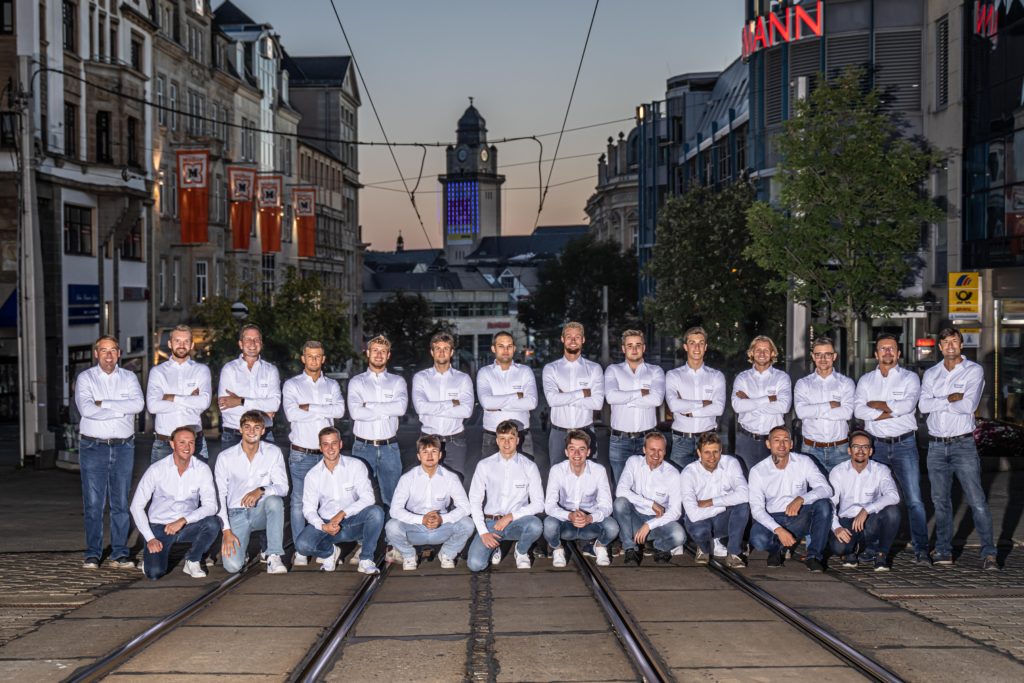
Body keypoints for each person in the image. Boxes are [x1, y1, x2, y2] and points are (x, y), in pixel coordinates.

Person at [919, 328, 997, 569]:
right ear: (939, 347)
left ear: (961, 345)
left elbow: (968, 405)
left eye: (954, 341)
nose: (950, 346)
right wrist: (949, 397)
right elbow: (923, 405)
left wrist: (939, 401)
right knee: (940, 501)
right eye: (945, 342)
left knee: (977, 500)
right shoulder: (931, 373)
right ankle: (943, 550)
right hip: (936, 445)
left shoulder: (973, 370)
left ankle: (989, 552)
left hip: (963, 444)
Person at [854, 334, 929, 564]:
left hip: (904, 444)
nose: (887, 352)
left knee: (914, 499)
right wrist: (891, 410)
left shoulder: (910, 378)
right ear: (876, 354)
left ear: (898, 353)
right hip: (875, 445)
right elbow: (858, 411)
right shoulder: (866, 380)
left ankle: (921, 549)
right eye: (883, 349)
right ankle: (873, 547)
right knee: (876, 497)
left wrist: (875, 406)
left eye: (891, 349)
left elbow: (907, 406)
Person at [74, 335, 145, 569]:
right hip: (93, 446)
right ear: (96, 353)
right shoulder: (85, 378)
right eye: (103, 350)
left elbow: (137, 406)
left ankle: (120, 553)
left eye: (112, 350)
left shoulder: (129, 377)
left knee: (120, 503)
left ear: (119, 353)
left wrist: (103, 404)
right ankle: (93, 553)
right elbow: (86, 410)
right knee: (94, 503)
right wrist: (119, 409)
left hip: (123, 445)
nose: (108, 355)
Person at [282, 340, 345, 566]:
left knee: (326, 502)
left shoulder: (332, 386)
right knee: (300, 503)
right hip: (301, 453)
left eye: (318, 356)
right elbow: (291, 414)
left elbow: (339, 411)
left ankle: (320, 545)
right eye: (310, 356)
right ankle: (301, 549)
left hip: (327, 455)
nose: (314, 360)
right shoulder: (292, 385)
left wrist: (309, 407)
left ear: (323, 359)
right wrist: (321, 412)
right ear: (303, 358)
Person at [130, 427, 221, 580]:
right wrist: (149, 537)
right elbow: (136, 506)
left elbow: (211, 506)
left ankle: (192, 560)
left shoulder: (202, 469)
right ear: (172, 444)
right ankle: (150, 558)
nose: (187, 447)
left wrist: (183, 521)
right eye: (182, 442)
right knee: (154, 573)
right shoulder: (157, 469)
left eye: (191, 443)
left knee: (212, 523)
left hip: (187, 525)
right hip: (160, 527)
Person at [295, 427, 384, 574]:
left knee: (376, 513)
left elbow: (368, 497)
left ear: (341, 444)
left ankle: (366, 559)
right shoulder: (313, 475)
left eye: (334, 443)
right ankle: (329, 553)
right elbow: (308, 509)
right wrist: (322, 526)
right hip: (327, 522)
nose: (330, 448)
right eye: (325, 444)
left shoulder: (355, 465)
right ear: (320, 447)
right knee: (302, 546)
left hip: (353, 521)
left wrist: (343, 513)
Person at [748, 426, 833, 572]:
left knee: (824, 505)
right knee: (758, 539)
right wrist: (778, 529)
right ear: (768, 444)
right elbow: (756, 510)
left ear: (791, 444)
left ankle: (814, 557)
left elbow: (826, 489)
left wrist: (801, 499)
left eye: (785, 440)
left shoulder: (804, 462)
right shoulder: (757, 471)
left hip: (799, 516)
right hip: (774, 518)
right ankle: (777, 549)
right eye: (776, 440)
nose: (781, 444)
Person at [216, 410, 290, 574]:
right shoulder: (225, 457)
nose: (251, 431)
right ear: (240, 429)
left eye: (256, 427)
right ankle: (243, 551)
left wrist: (261, 490)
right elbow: (219, 496)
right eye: (247, 427)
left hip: (260, 511)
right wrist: (226, 531)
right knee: (233, 566)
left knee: (275, 501)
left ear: (263, 431)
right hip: (236, 513)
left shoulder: (273, 452)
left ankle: (274, 555)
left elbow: (283, 488)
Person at [386, 435, 475, 570]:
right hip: (415, 528)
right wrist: (421, 519)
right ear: (418, 456)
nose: (429, 456)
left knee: (468, 524)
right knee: (391, 526)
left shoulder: (450, 477)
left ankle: (447, 553)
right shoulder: (408, 478)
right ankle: (409, 555)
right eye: (425, 452)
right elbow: (395, 510)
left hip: (441, 528)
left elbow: (465, 507)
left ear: (440, 455)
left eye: (433, 451)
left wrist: (442, 519)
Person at [467, 420, 544, 571]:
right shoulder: (484, 465)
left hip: (517, 521)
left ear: (518, 440)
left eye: (510, 438)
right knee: (475, 565)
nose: (506, 443)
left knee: (535, 525)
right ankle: (496, 547)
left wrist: (510, 516)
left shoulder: (529, 466)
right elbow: (475, 501)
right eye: (502, 438)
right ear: (496, 441)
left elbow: (539, 503)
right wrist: (483, 532)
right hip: (491, 523)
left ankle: (521, 551)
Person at [347, 335, 408, 506]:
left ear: (388, 355)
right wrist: (387, 409)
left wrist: (369, 405)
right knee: (360, 499)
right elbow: (356, 413)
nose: (379, 355)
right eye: (375, 351)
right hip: (362, 447)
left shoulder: (397, 381)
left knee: (393, 499)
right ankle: (364, 533)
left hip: (390, 448)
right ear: (367, 353)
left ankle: (390, 533)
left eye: (383, 351)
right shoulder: (356, 382)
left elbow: (400, 408)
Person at [544, 429, 618, 568]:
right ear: (566, 452)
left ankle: (599, 546)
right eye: (572, 449)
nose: (577, 454)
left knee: (612, 527)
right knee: (548, 525)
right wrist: (569, 515)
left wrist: (590, 518)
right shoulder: (557, 470)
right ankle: (558, 549)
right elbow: (549, 505)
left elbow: (607, 505)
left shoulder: (599, 470)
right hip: (565, 523)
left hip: (590, 524)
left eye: (581, 449)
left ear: (588, 452)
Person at [829, 430, 901, 572]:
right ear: (849, 450)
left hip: (870, 520)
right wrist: (836, 527)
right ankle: (851, 552)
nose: (860, 450)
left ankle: (880, 554)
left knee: (893, 512)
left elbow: (893, 495)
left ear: (871, 451)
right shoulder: (838, 471)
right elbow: (830, 503)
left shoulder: (880, 470)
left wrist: (866, 510)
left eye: (865, 447)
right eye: (856, 446)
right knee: (839, 547)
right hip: (847, 519)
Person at [613, 432, 685, 566]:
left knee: (679, 536)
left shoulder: (673, 474)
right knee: (620, 503)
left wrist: (649, 525)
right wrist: (650, 503)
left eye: (660, 450)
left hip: (658, 520)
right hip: (633, 518)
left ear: (665, 452)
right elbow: (620, 491)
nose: (656, 454)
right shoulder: (633, 462)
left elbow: (676, 512)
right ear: (644, 449)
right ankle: (630, 548)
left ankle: (660, 547)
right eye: (652, 449)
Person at [680, 432, 748, 568]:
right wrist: (724, 505)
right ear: (699, 453)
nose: (712, 457)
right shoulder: (688, 473)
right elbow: (693, 515)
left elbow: (745, 494)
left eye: (715, 452)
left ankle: (733, 553)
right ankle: (704, 548)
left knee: (743, 506)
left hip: (720, 518)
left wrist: (710, 502)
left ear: (721, 451)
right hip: (700, 520)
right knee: (699, 531)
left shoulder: (731, 463)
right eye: (707, 452)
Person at [604, 330, 665, 483]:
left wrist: (625, 399)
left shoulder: (655, 371)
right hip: (620, 441)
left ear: (644, 347)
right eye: (630, 345)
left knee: (648, 487)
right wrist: (642, 393)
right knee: (621, 492)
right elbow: (611, 397)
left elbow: (657, 399)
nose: (634, 349)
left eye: (638, 345)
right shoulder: (613, 370)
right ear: (623, 349)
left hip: (648, 440)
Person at [542, 322, 605, 468]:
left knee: (589, 480)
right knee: (558, 482)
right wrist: (582, 393)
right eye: (569, 336)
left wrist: (564, 397)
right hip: (559, 435)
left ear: (583, 340)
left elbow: (597, 403)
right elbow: (552, 400)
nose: (573, 340)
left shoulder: (594, 369)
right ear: (562, 339)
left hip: (586, 432)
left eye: (577, 337)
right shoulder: (551, 369)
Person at [146, 325, 212, 463]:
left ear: (192, 344)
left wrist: (170, 397)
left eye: (186, 341)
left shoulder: (202, 370)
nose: (181, 345)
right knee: (161, 485)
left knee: (197, 484)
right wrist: (190, 401)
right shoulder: (157, 372)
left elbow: (204, 402)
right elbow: (153, 406)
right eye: (177, 341)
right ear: (170, 343)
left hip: (195, 443)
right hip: (164, 444)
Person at [412, 332, 474, 478]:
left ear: (451, 352)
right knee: (427, 487)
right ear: (432, 352)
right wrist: (452, 403)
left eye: (445, 348)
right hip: (427, 441)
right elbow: (420, 407)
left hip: (455, 442)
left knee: (455, 487)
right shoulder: (421, 378)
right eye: (437, 348)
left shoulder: (463, 379)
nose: (441, 352)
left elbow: (466, 411)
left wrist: (431, 408)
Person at [665, 326, 726, 471]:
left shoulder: (716, 376)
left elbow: (718, 408)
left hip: (709, 440)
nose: (697, 347)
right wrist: (704, 403)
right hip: (681, 441)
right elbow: (674, 405)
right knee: (679, 487)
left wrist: (689, 411)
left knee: (708, 485)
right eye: (692, 343)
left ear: (705, 347)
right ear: (685, 347)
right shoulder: (673, 375)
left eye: (700, 343)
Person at [794, 336, 855, 472]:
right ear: (813, 356)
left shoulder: (846, 383)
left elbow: (847, 413)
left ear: (834, 356)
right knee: (813, 492)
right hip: (811, 449)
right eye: (818, 355)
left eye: (827, 354)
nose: (822, 359)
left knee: (841, 492)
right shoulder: (803, 384)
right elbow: (801, 412)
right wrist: (829, 405)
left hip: (840, 449)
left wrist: (814, 411)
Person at [731, 336, 792, 472]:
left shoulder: (782, 378)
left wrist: (750, 401)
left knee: (774, 483)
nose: (762, 353)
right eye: (758, 350)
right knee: (746, 483)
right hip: (746, 440)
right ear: (752, 353)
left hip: (773, 441)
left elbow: (784, 406)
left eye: (766, 350)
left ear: (773, 353)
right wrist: (768, 399)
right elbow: (737, 406)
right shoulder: (742, 378)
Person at [217, 324, 280, 447]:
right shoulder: (229, 369)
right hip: (234, 436)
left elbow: (275, 404)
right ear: (240, 344)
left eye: (256, 339)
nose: (252, 343)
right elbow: (225, 406)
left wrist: (240, 401)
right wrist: (263, 411)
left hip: (264, 435)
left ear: (261, 343)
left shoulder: (271, 370)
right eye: (248, 339)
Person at [478, 331, 538, 457]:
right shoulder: (484, 373)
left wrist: (497, 405)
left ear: (514, 348)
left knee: (524, 476)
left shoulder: (525, 371)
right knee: (491, 476)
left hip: (522, 436)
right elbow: (487, 403)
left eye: (509, 346)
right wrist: (517, 396)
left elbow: (531, 402)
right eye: (501, 346)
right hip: (492, 437)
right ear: (493, 348)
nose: (505, 350)